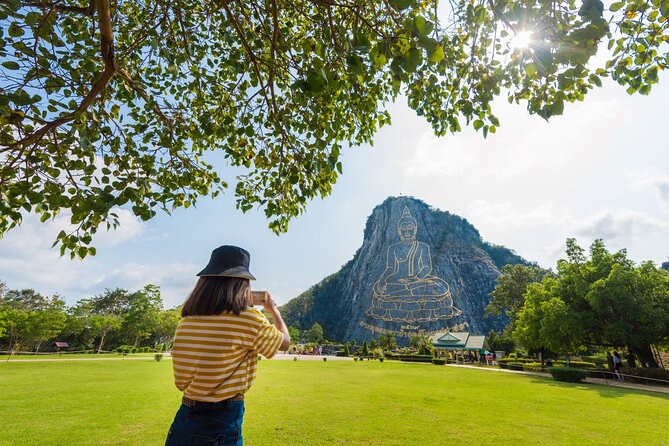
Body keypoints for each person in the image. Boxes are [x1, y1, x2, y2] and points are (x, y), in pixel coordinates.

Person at [165, 245, 290, 446]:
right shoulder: (248, 319)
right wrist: (272, 309)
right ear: (242, 284)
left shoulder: (187, 319)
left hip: (184, 419)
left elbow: (181, 380)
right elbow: (284, 343)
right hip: (220, 421)